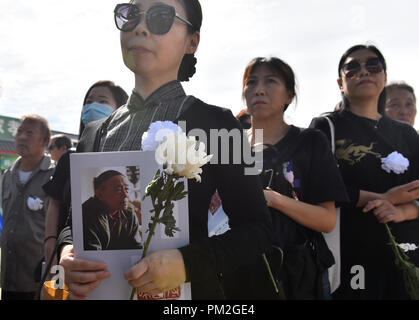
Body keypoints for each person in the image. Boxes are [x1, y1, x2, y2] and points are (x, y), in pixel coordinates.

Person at [56, 0, 272, 300]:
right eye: (131, 15)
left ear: (192, 41)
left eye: (160, 17)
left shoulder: (219, 124)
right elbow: (72, 222)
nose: (140, 28)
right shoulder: (96, 132)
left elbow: (258, 229)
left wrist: (187, 264)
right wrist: (66, 254)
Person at [222, 57, 348, 300]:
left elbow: (327, 220)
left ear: (289, 95)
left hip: (296, 278)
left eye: (271, 81)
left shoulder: (309, 142)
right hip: (237, 275)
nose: (259, 90)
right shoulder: (229, 147)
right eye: (251, 82)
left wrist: (276, 200)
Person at [310, 44, 419, 299]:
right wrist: (386, 197)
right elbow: (319, 190)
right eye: (352, 68)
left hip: (407, 255)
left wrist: (400, 211)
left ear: (384, 77)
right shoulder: (325, 127)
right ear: (340, 82)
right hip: (351, 255)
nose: (363, 72)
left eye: (373, 66)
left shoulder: (406, 133)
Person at [42, 80, 128, 276]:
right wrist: (51, 244)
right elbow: (55, 204)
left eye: (102, 101)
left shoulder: (128, 155)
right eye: (88, 101)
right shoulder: (70, 157)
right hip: (67, 256)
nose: (92, 106)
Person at [1, 115, 55, 300]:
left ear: (46, 141)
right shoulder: (8, 176)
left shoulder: (53, 177)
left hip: (36, 280)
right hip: (8, 275)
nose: (21, 137)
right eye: (19, 132)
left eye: (29, 133)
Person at [83, 170, 142, 251]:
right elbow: (93, 253)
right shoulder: (86, 213)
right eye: (118, 190)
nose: (126, 195)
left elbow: (137, 247)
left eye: (126, 189)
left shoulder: (129, 212)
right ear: (100, 194)